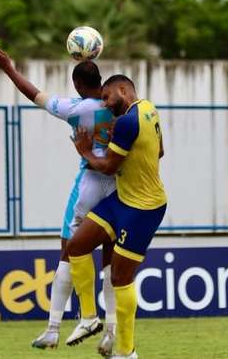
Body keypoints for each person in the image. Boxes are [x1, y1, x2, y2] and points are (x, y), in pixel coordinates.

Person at [0, 44, 117, 352]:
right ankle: (110, 333)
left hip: (90, 183)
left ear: (77, 85)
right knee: (111, 262)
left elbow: (34, 93)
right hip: (119, 186)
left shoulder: (76, 109)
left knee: (69, 250)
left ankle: (55, 328)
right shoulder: (120, 106)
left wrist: (7, 67)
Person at [67, 74, 167, 359]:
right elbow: (160, 151)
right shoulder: (149, 108)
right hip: (122, 199)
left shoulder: (125, 122)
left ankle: (127, 352)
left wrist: (85, 151)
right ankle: (88, 318)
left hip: (144, 209)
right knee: (77, 246)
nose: (106, 104)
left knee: (121, 278)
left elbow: (108, 168)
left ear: (122, 89)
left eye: (108, 97)